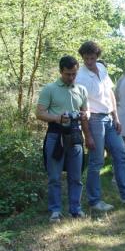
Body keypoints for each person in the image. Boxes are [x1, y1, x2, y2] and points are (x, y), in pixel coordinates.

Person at [76, 41, 125, 211]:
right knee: (97, 161)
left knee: (122, 153)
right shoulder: (80, 76)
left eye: (92, 58)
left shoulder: (101, 69)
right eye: (86, 58)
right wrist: (87, 134)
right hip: (93, 119)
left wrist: (115, 117)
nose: (89, 61)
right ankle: (94, 201)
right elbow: (82, 106)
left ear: (97, 56)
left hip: (109, 118)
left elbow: (110, 94)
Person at [36, 56, 89, 222]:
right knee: (54, 176)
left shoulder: (81, 89)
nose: (71, 77)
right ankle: (55, 210)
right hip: (55, 135)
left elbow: (87, 111)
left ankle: (75, 209)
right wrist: (57, 118)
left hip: (75, 135)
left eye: (74, 74)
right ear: (61, 71)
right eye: (68, 74)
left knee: (76, 176)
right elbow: (39, 113)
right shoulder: (49, 89)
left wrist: (85, 115)